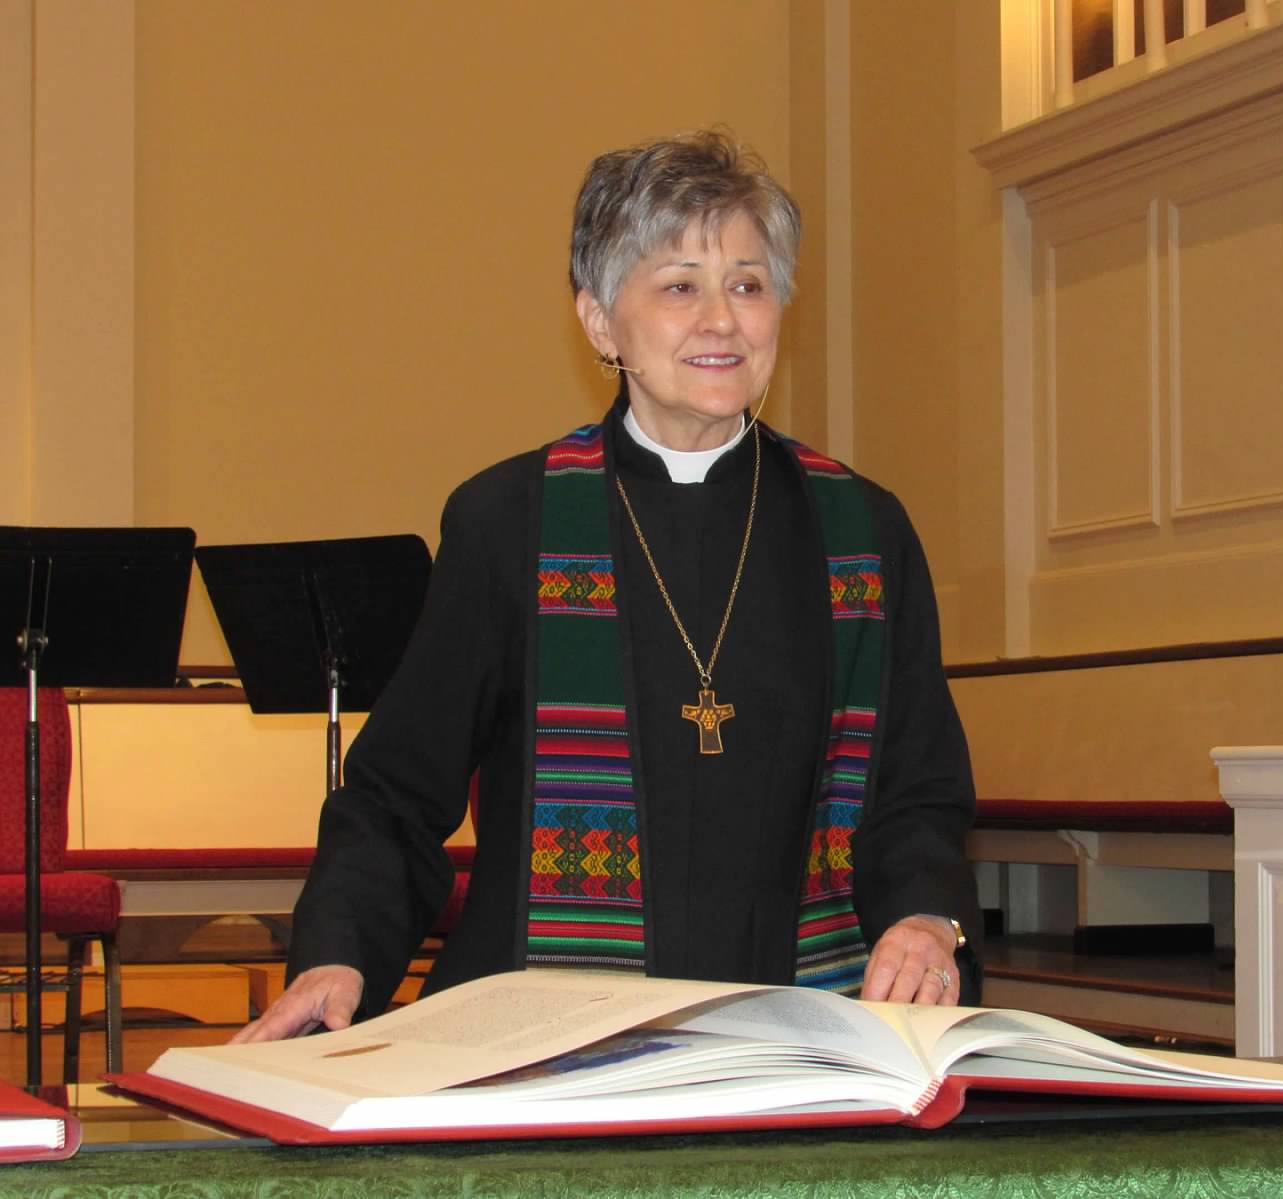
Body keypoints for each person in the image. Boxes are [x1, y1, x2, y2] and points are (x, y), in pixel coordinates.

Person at [236, 130, 981, 1043]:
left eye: (748, 284)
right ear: (598, 321)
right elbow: (397, 790)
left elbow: (917, 791)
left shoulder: (861, 532)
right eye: (680, 286)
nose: (723, 319)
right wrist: (337, 951)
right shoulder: (512, 522)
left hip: (800, 1035)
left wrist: (922, 917)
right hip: (545, 1038)